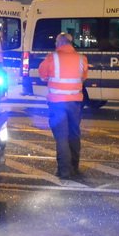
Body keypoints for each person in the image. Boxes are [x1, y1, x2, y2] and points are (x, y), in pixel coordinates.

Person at [38, 32, 89, 179]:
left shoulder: (52, 58)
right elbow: (83, 77)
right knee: (74, 135)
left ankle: (64, 171)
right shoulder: (81, 58)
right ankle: (75, 168)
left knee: (61, 137)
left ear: (59, 43)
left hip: (57, 103)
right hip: (75, 103)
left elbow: (43, 74)